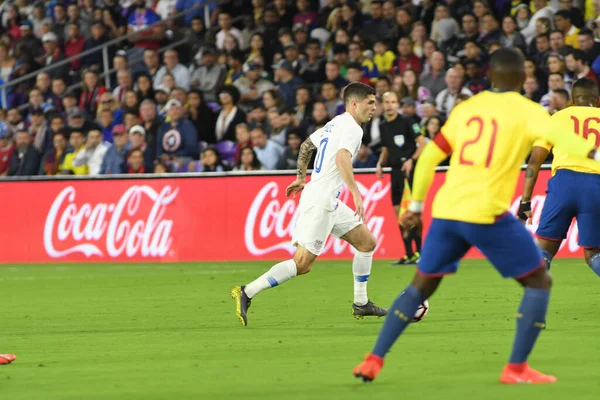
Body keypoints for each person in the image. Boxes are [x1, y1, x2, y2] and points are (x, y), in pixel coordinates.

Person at [353, 48, 600, 384]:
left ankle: (373, 360)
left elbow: (427, 160)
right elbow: (571, 140)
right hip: (486, 215)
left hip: (446, 211)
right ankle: (516, 368)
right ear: (521, 78)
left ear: (491, 76)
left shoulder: (465, 109)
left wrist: (415, 207)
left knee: (420, 287)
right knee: (539, 281)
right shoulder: (529, 111)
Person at [231, 82, 387, 326]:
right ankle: (247, 291)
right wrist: (356, 193)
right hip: (321, 202)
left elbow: (305, 146)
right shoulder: (353, 129)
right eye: (370, 102)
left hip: (327, 200)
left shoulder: (334, 123)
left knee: (367, 242)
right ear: (354, 103)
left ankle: (361, 303)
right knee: (302, 264)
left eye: (375, 103)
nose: (374, 107)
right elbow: (342, 157)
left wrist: (301, 177)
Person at [519, 78, 600, 277]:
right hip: (595, 185)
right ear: (597, 100)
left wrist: (525, 201)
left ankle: (534, 301)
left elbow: (535, 161)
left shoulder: (556, 119)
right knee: (594, 253)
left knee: (544, 250)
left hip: (562, 184)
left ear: (572, 99)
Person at [376, 91, 426, 265]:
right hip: (395, 172)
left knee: (413, 213)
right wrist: (380, 163)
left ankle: (421, 252)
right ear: (382, 104)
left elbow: (423, 143)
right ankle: (408, 254)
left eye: (393, 102)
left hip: (410, 172)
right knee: (398, 212)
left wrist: (412, 160)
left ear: (398, 104)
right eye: (387, 102)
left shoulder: (407, 122)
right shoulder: (382, 126)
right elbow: (386, 148)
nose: (390, 105)